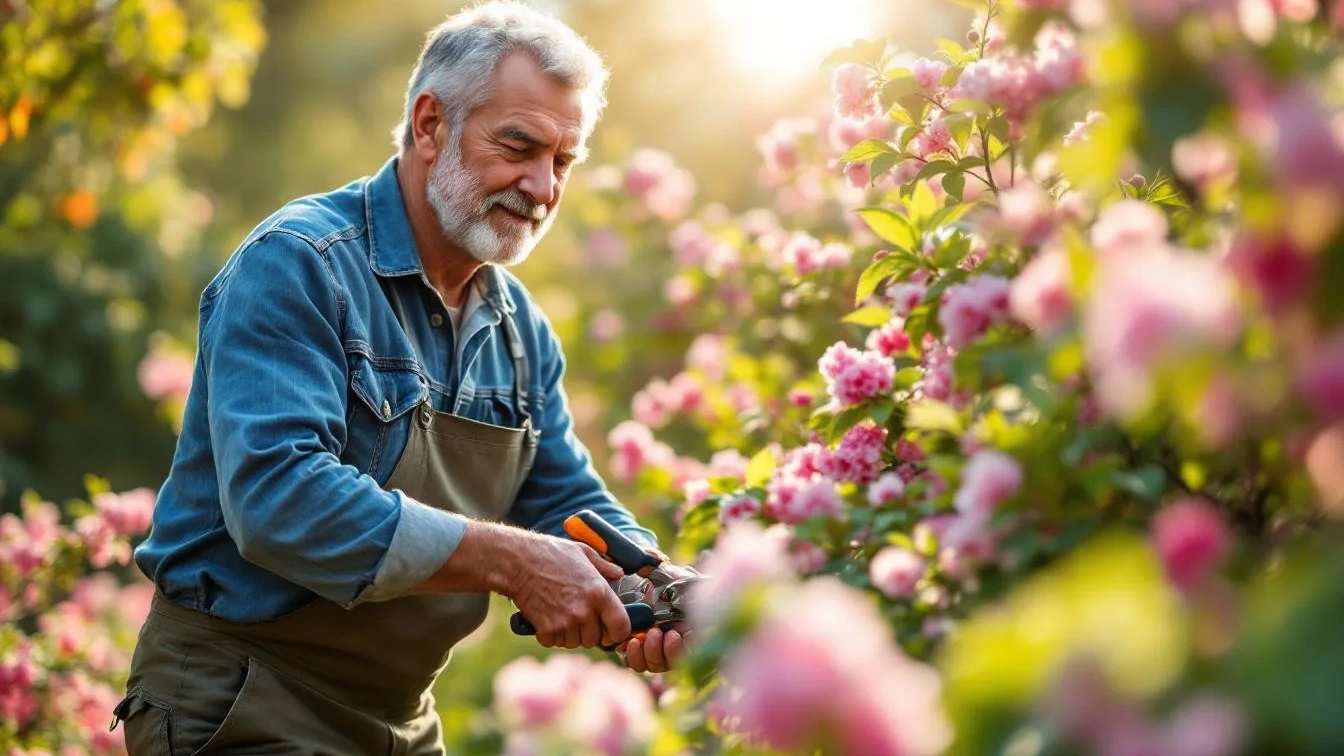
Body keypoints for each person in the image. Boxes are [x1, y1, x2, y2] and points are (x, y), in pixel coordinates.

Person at [111, 3, 691, 754]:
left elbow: (562, 497)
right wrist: (515, 561)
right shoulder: (299, 264)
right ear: (429, 124)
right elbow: (278, 499)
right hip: (242, 692)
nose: (543, 187)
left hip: (400, 717)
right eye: (519, 146)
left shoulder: (521, 331)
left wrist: (649, 585)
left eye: (563, 162)